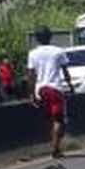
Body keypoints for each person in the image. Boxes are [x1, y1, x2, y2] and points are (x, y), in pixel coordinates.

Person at [27, 25, 74, 159]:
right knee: (59, 119)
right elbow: (65, 71)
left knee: (49, 119)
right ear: (50, 36)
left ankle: (54, 145)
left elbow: (31, 75)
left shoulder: (33, 54)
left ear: (36, 39)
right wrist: (70, 85)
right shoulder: (58, 51)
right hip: (55, 88)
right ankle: (55, 148)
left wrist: (31, 94)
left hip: (41, 89)